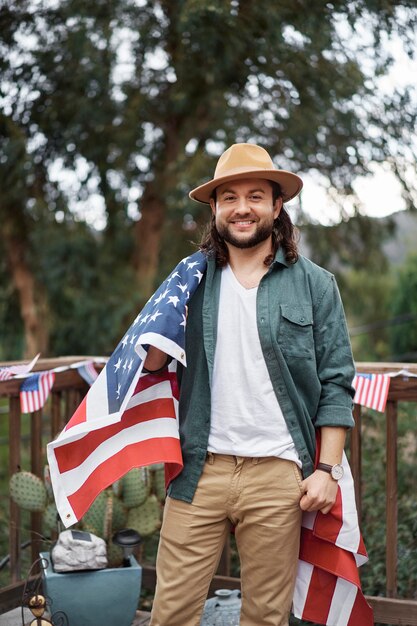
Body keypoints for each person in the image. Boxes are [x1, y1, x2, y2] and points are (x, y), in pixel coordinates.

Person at [144, 143, 356, 626]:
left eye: (256, 196)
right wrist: (163, 310)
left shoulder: (315, 285)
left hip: (278, 474)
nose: (242, 207)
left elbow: (337, 383)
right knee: (169, 614)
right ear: (215, 209)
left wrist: (326, 468)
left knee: (265, 617)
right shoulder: (190, 281)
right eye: (230, 198)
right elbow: (154, 362)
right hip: (199, 468)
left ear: (277, 206)